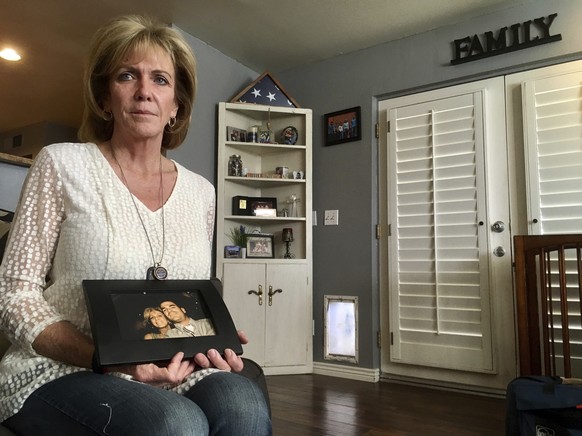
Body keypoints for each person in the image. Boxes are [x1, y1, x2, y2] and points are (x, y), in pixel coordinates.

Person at [0, 14, 271, 435]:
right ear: (106, 98)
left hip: (171, 369)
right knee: (176, 424)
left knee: (244, 404)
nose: (145, 91)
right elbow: (13, 292)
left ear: (177, 105)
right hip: (61, 370)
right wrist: (101, 356)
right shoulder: (61, 163)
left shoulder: (202, 193)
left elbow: (184, 299)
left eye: (161, 80)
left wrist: (208, 333)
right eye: (128, 75)